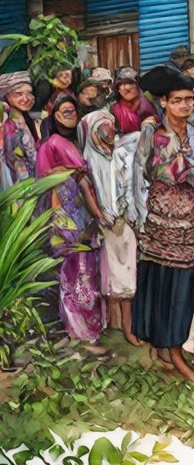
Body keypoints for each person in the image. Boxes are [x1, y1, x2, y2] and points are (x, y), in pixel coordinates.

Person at [131, 71, 194, 379]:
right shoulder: (154, 134)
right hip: (162, 221)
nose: (185, 105)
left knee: (184, 286)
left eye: (189, 100)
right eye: (177, 101)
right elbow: (147, 172)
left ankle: (173, 345)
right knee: (161, 283)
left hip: (189, 221)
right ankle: (168, 349)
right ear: (164, 102)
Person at [34, 92, 105, 347]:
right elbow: (42, 182)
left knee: (88, 270)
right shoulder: (50, 144)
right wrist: (64, 173)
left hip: (86, 214)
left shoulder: (81, 140)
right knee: (73, 271)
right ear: (54, 116)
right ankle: (77, 329)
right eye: (64, 111)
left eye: (73, 110)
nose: (70, 115)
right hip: (64, 217)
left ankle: (92, 326)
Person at [80, 110, 140, 342]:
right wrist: (100, 215)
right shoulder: (87, 161)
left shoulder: (119, 154)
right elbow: (89, 194)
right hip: (104, 225)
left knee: (127, 273)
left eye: (111, 127)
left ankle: (126, 326)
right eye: (103, 129)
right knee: (111, 277)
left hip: (123, 221)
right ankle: (116, 325)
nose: (109, 132)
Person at [1, 69, 39, 190]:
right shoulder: (9, 126)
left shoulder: (28, 119)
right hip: (21, 186)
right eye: (18, 93)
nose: (26, 98)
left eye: (29, 93)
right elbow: (12, 161)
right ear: (6, 95)